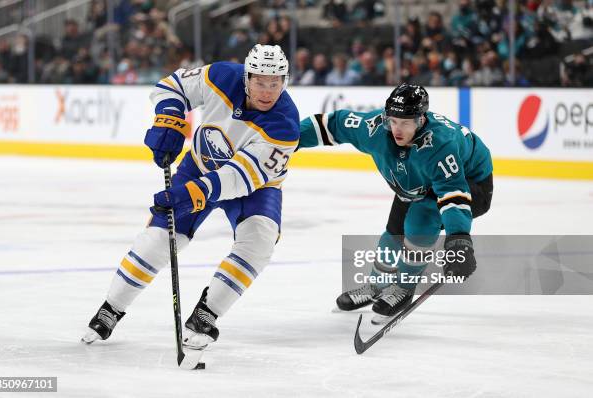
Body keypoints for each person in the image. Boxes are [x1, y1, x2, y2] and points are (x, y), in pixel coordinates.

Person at [82, 44, 299, 353]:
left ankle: (206, 315)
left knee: (260, 240)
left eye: (275, 82)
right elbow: (173, 85)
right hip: (198, 165)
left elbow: (238, 178)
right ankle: (111, 308)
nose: (267, 91)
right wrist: (169, 117)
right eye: (260, 81)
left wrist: (189, 195)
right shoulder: (222, 75)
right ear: (246, 78)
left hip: (255, 187)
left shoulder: (285, 124)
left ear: (285, 81)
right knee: (158, 240)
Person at [298, 83, 493, 323]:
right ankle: (377, 285)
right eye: (393, 121)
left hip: (470, 183)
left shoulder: (442, 145)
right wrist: (288, 139)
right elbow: (332, 124)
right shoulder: (374, 128)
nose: (397, 129)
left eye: (406, 123)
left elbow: (453, 193)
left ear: (421, 120)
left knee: (420, 220)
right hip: (416, 181)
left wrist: (459, 240)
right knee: (394, 232)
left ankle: (404, 287)